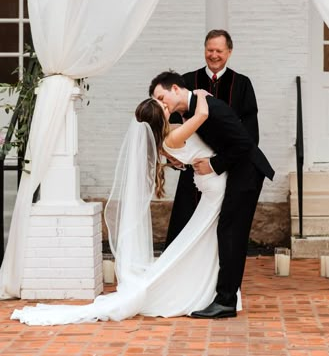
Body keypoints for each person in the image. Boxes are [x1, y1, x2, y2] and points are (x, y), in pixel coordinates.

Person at [11, 90, 230, 325]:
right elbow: (203, 114)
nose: (168, 105)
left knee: (200, 241)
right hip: (214, 187)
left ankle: (210, 288)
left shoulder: (168, 138)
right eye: (163, 106)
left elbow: (191, 127)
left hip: (210, 185)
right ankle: (207, 289)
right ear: (160, 117)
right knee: (202, 240)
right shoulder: (173, 138)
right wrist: (200, 94)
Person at [151, 71, 274, 319]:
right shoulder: (193, 109)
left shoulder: (210, 108)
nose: (161, 104)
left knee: (231, 233)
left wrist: (214, 165)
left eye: (162, 97)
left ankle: (226, 302)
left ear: (175, 89)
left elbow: (245, 143)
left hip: (247, 172)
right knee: (227, 232)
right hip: (237, 170)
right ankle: (224, 297)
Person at [163, 29, 259, 247]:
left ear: (229, 52)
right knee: (185, 228)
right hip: (193, 170)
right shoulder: (186, 81)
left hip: (227, 168)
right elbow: (169, 126)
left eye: (219, 51)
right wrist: (173, 157)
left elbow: (251, 135)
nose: (214, 55)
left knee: (223, 232)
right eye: (209, 50)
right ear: (204, 50)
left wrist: (218, 164)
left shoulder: (242, 84)